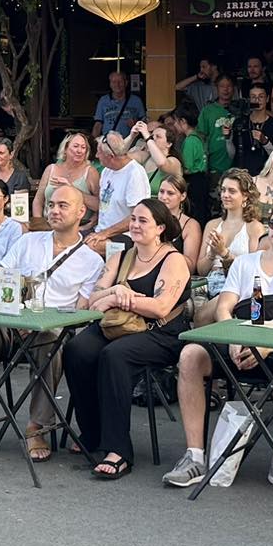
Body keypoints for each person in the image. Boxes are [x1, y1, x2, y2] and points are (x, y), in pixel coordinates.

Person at [162, 200, 273, 493]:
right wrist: (236, 340)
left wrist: (264, 348)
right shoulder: (245, 263)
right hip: (238, 343)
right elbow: (224, 309)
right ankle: (194, 456)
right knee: (190, 354)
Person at [0, 184, 101, 455]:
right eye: (51, 204)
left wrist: (46, 322)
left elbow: (81, 313)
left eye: (62, 205)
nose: (54, 210)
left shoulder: (91, 261)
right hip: (11, 324)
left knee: (50, 342)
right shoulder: (29, 240)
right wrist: (1, 287)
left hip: (48, 331)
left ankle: (37, 427)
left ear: (81, 212)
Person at [66, 198, 194, 479]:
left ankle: (118, 450)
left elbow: (161, 307)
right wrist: (114, 294)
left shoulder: (174, 261)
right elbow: (92, 301)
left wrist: (124, 298)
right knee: (77, 349)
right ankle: (91, 433)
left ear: (160, 227)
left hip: (160, 332)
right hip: (118, 326)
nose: (135, 225)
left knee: (115, 356)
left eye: (142, 220)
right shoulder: (120, 257)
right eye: (133, 219)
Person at [197, 169, 265, 297]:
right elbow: (201, 271)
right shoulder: (212, 225)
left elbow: (254, 271)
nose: (225, 195)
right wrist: (212, 254)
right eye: (223, 190)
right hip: (209, 285)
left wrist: (224, 253)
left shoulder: (254, 227)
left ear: (245, 195)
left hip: (238, 286)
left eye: (232, 191)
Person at [86, 133, 150, 254]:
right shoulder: (106, 171)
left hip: (127, 236)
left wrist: (105, 233)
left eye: (99, 152)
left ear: (110, 156)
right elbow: (104, 205)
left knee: (90, 247)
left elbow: (136, 216)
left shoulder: (134, 174)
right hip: (101, 230)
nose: (96, 155)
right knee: (68, 240)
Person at [33, 131, 98, 223]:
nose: (79, 150)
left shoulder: (91, 172)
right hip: (49, 225)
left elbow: (99, 205)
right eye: (75, 146)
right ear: (65, 149)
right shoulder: (51, 169)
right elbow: (38, 201)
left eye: (83, 147)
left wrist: (72, 188)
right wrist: (39, 223)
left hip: (79, 227)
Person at [155, 174, 203, 270]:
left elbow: (191, 266)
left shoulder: (190, 225)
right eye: (161, 192)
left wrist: (164, 248)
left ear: (183, 196)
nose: (164, 197)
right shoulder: (149, 219)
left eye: (170, 193)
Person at [197, 73, 239, 175]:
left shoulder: (239, 109)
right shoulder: (208, 110)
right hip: (214, 164)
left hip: (237, 164)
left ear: (233, 88)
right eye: (222, 86)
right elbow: (201, 136)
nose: (226, 89)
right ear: (216, 88)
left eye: (229, 86)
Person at [91, 70, 143, 140]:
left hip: (130, 143)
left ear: (126, 83)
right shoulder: (103, 100)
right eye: (114, 82)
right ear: (110, 84)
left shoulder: (136, 101)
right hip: (108, 145)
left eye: (120, 81)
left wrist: (136, 125)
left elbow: (144, 123)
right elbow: (98, 124)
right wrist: (93, 143)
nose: (117, 84)